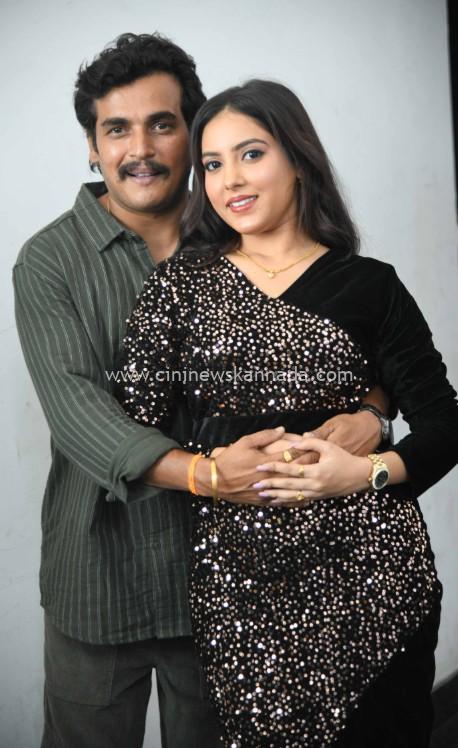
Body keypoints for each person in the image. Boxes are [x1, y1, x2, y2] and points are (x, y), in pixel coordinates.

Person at [12, 35, 385, 748]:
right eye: (116, 129)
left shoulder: (253, 237)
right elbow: (77, 411)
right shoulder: (49, 260)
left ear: (194, 132)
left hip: (233, 578)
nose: (139, 149)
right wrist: (210, 475)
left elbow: (350, 347)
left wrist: (373, 411)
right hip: (100, 578)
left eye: (162, 124)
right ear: (91, 147)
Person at [119, 79, 458, 748]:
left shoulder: (370, 284)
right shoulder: (181, 285)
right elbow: (132, 431)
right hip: (243, 591)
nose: (230, 180)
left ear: (298, 159)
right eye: (213, 163)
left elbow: (446, 425)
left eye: (251, 154)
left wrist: (363, 470)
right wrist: (209, 472)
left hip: (375, 582)